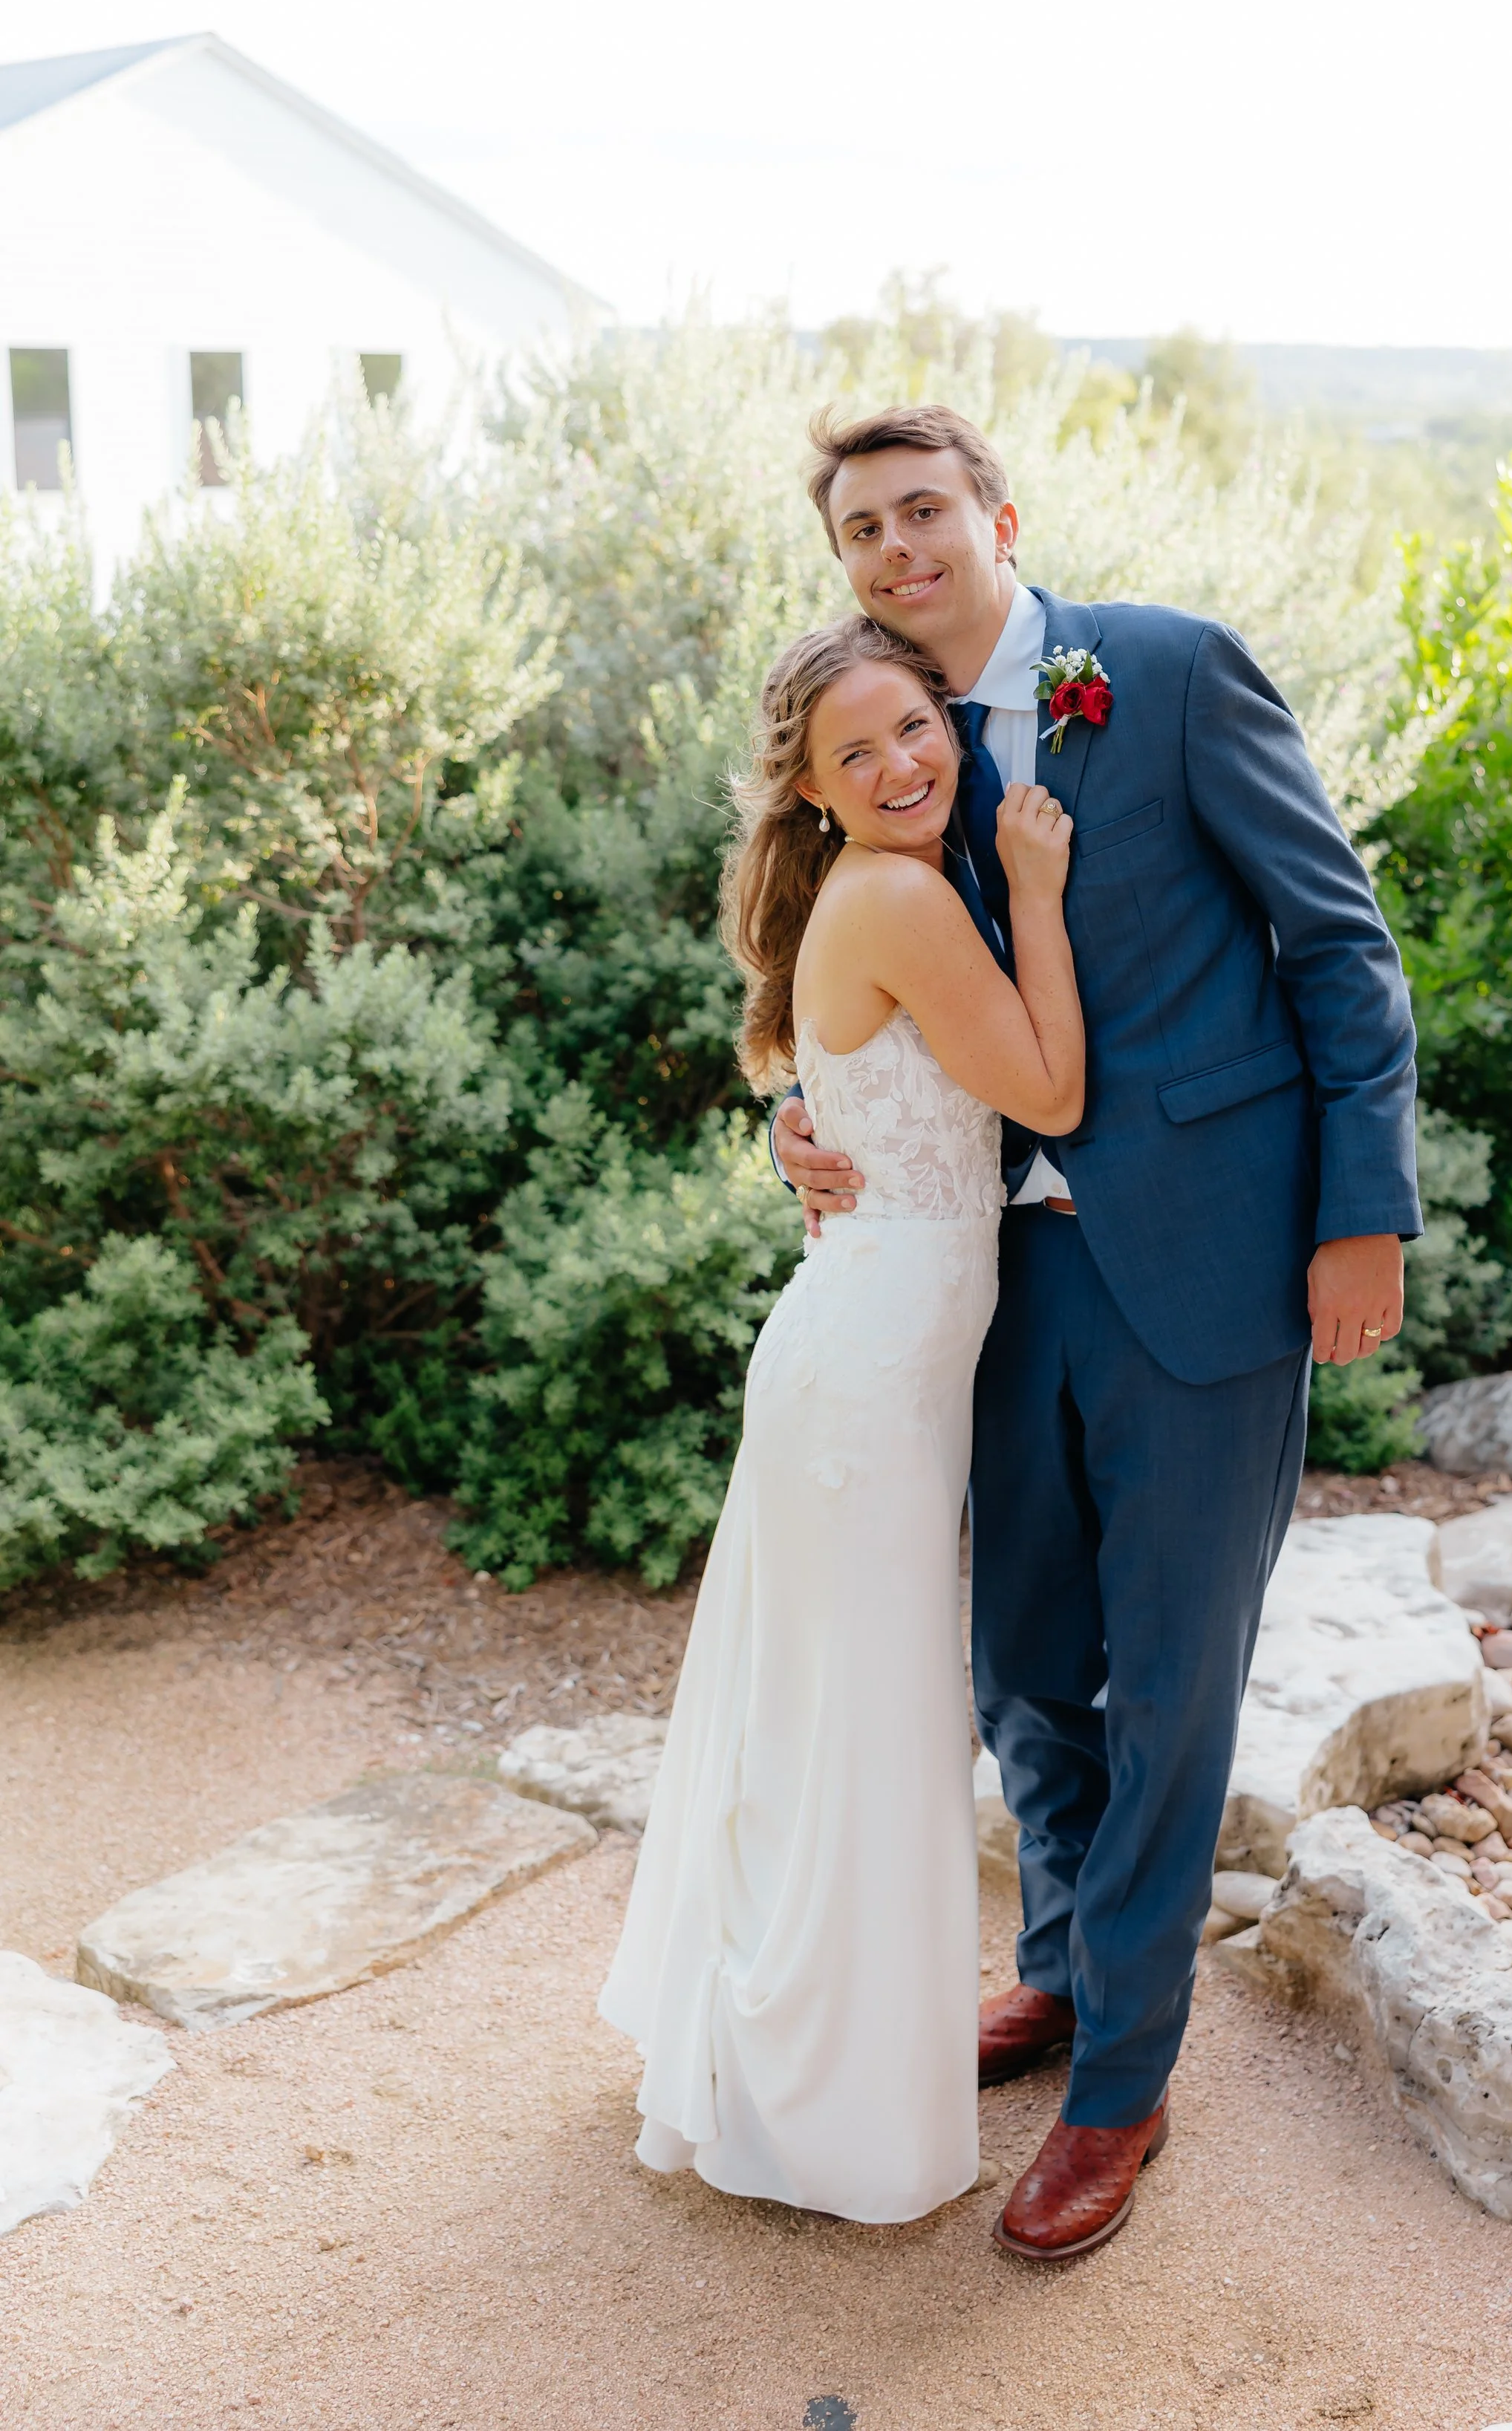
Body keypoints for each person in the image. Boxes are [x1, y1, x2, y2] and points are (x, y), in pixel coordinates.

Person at [774, 403, 1421, 2262]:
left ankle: (1120, 2084)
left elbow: (1336, 945)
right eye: (861, 533)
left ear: (995, 514)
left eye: (922, 512)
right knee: (1016, 1658)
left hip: (1211, 1262)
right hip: (991, 1280)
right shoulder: (883, 744)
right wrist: (797, 1120)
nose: (897, 551)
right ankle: (1061, 1962)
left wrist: (1357, 1212)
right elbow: (850, 989)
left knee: (1170, 1687)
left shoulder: (1162, 669)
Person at [599, 614, 1084, 2224]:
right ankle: (822, 2104)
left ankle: (789, 2056)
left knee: (826, 1714)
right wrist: (1029, 887)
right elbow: (1050, 1095)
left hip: (869, 1343)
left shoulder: (872, 892)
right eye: (851, 755)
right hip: (871, 1365)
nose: (898, 768)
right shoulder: (900, 892)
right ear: (809, 796)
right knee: (863, 1722)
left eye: (911, 729)